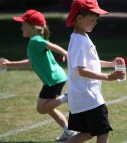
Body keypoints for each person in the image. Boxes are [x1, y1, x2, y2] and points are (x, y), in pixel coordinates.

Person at [0, 9, 76, 142]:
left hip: (53, 80)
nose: (21, 27)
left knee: (41, 109)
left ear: (32, 27)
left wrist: (66, 54)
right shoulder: (34, 41)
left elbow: (52, 46)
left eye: (23, 24)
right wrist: (10, 64)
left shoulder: (35, 40)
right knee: (49, 108)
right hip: (56, 78)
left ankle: (67, 98)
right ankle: (68, 132)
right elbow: (30, 63)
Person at [65, 0, 126, 143]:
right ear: (79, 18)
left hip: (81, 96)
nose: (95, 23)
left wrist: (111, 63)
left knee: (88, 133)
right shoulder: (79, 41)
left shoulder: (80, 37)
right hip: (88, 97)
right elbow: (82, 70)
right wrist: (107, 76)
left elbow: (91, 62)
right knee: (102, 131)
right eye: (92, 19)